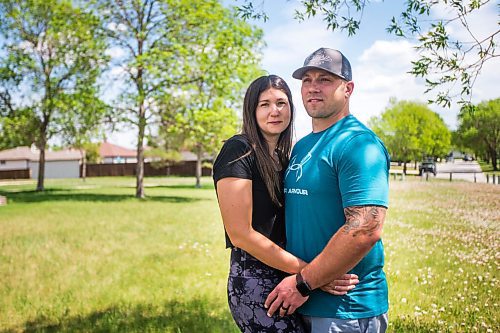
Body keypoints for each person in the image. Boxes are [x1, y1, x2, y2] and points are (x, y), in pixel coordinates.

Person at [213, 75, 359, 332]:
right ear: (251, 110)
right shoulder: (239, 150)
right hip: (255, 280)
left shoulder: (287, 157)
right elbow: (241, 234)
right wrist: (311, 274)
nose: (275, 111)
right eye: (264, 104)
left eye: (282, 103)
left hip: (288, 277)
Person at [265, 48, 390, 333]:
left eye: (324, 79)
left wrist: (303, 282)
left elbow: (365, 229)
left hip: (346, 308)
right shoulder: (302, 146)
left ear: (348, 89)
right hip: (301, 301)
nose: (313, 87)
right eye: (307, 80)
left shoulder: (358, 144)